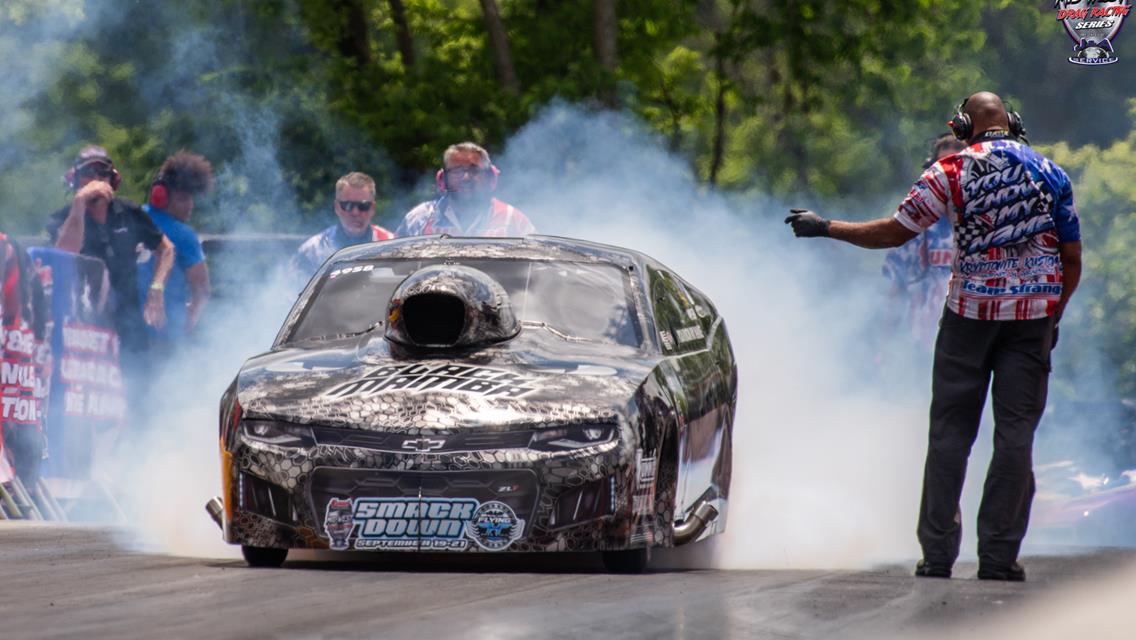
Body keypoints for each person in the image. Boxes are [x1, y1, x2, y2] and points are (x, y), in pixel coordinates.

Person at [785, 92, 1082, 582]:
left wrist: (826, 227)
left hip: (967, 320)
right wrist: (1054, 316)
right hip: (1031, 322)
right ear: (1013, 123)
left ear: (964, 125)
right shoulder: (1052, 174)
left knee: (949, 437)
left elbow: (894, 232)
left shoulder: (948, 172)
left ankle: (938, 556)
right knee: (1015, 439)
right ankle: (999, 558)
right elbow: (1071, 259)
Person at [46, 146, 174, 392]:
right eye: (88, 173)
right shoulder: (62, 219)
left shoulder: (129, 213)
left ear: (113, 180)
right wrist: (79, 204)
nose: (96, 180)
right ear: (74, 180)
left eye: (102, 174)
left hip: (128, 326)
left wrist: (156, 288)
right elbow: (62, 256)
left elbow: (166, 249)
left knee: (138, 394)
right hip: (82, 329)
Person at [881, 134, 967, 345]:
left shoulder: (990, 218)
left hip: (971, 340)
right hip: (921, 338)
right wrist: (883, 343)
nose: (949, 176)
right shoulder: (915, 221)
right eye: (942, 168)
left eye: (955, 167)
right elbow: (896, 287)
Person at [136, 150, 213, 348]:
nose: (190, 206)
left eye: (191, 199)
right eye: (182, 199)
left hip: (127, 330)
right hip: (166, 336)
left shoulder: (131, 217)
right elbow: (202, 289)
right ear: (160, 197)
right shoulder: (184, 235)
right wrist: (189, 320)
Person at [396, 142, 535, 237]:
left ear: (490, 178)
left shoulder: (512, 219)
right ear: (441, 180)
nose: (466, 177)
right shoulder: (419, 219)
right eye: (457, 171)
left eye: (474, 171)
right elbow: (395, 265)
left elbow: (538, 270)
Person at [291, 171, 394, 279]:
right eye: (348, 205)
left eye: (363, 206)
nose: (355, 212)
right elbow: (292, 291)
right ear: (337, 207)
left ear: (372, 208)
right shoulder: (313, 250)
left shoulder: (391, 245)